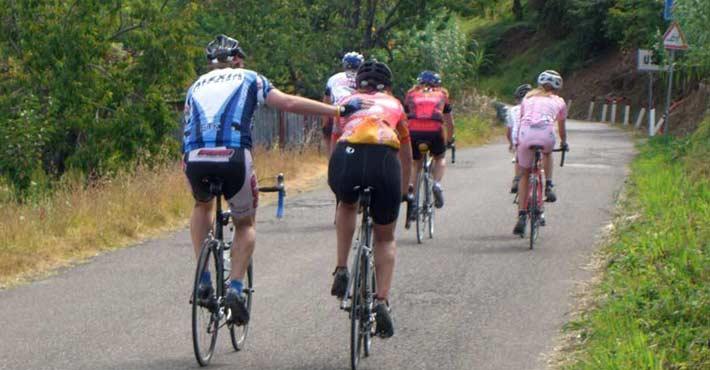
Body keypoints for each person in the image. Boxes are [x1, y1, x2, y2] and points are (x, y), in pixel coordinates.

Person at [183, 35, 368, 325]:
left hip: (195, 158)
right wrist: (337, 110)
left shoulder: (194, 86)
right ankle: (234, 289)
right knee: (245, 224)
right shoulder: (250, 78)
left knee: (202, 206)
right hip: (233, 156)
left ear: (210, 65)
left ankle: (203, 279)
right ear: (239, 60)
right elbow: (290, 103)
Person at [328, 60, 413, 338]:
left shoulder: (347, 101)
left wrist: (337, 185)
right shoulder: (396, 105)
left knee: (347, 204)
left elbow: (334, 142)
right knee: (385, 237)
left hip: (347, 155)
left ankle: (341, 268)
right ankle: (381, 301)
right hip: (383, 160)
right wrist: (404, 190)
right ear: (387, 86)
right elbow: (406, 152)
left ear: (357, 84)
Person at [513, 70, 568, 235]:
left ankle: (522, 215)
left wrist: (517, 143)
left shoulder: (527, 98)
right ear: (557, 88)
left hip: (525, 135)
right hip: (546, 135)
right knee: (547, 154)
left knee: (524, 175)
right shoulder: (559, 101)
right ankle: (549, 184)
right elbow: (561, 128)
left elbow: (521, 120)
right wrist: (564, 142)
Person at [403, 71, 454, 208]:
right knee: (440, 158)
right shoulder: (442, 94)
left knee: (416, 163)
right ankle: (436, 184)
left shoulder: (411, 94)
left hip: (413, 132)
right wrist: (449, 140)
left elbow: (404, 116)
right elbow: (450, 123)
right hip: (435, 132)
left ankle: (412, 193)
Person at [322, 52, 364, 156]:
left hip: (338, 112)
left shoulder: (333, 78)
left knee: (332, 141)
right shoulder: (364, 78)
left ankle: (332, 163)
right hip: (359, 114)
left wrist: (325, 122)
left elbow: (326, 100)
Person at [506, 84, 532, 194]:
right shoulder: (537, 108)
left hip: (519, 137)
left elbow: (509, 131)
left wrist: (511, 144)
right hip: (538, 136)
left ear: (517, 99)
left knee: (519, 156)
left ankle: (516, 179)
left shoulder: (513, 110)